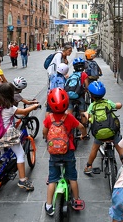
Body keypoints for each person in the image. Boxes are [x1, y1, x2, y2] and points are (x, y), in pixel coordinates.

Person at [43, 88, 87, 216]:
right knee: (72, 177)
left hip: (54, 153)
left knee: (52, 179)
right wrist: (83, 135)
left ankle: (49, 204)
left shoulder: (49, 118)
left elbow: (44, 132)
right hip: (68, 151)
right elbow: (81, 127)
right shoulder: (69, 117)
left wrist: (47, 138)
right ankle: (76, 200)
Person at [0, 83, 40, 191]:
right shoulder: (10, 107)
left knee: (3, 154)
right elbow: (24, 112)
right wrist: (34, 106)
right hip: (7, 134)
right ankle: (22, 180)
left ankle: (1, 169)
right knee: (20, 154)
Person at [83, 81, 123, 174]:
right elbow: (118, 106)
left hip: (99, 134)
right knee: (118, 144)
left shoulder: (92, 106)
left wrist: (85, 114)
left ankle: (89, 166)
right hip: (112, 131)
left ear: (91, 96)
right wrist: (119, 104)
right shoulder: (108, 102)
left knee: (94, 148)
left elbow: (87, 115)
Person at [66, 58, 89, 126]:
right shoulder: (84, 75)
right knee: (83, 112)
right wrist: (85, 91)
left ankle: (69, 126)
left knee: (69, 112)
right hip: (79, 96)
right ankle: (84, 127)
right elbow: (87, 86)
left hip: (70, 96)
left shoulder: (72, 75)